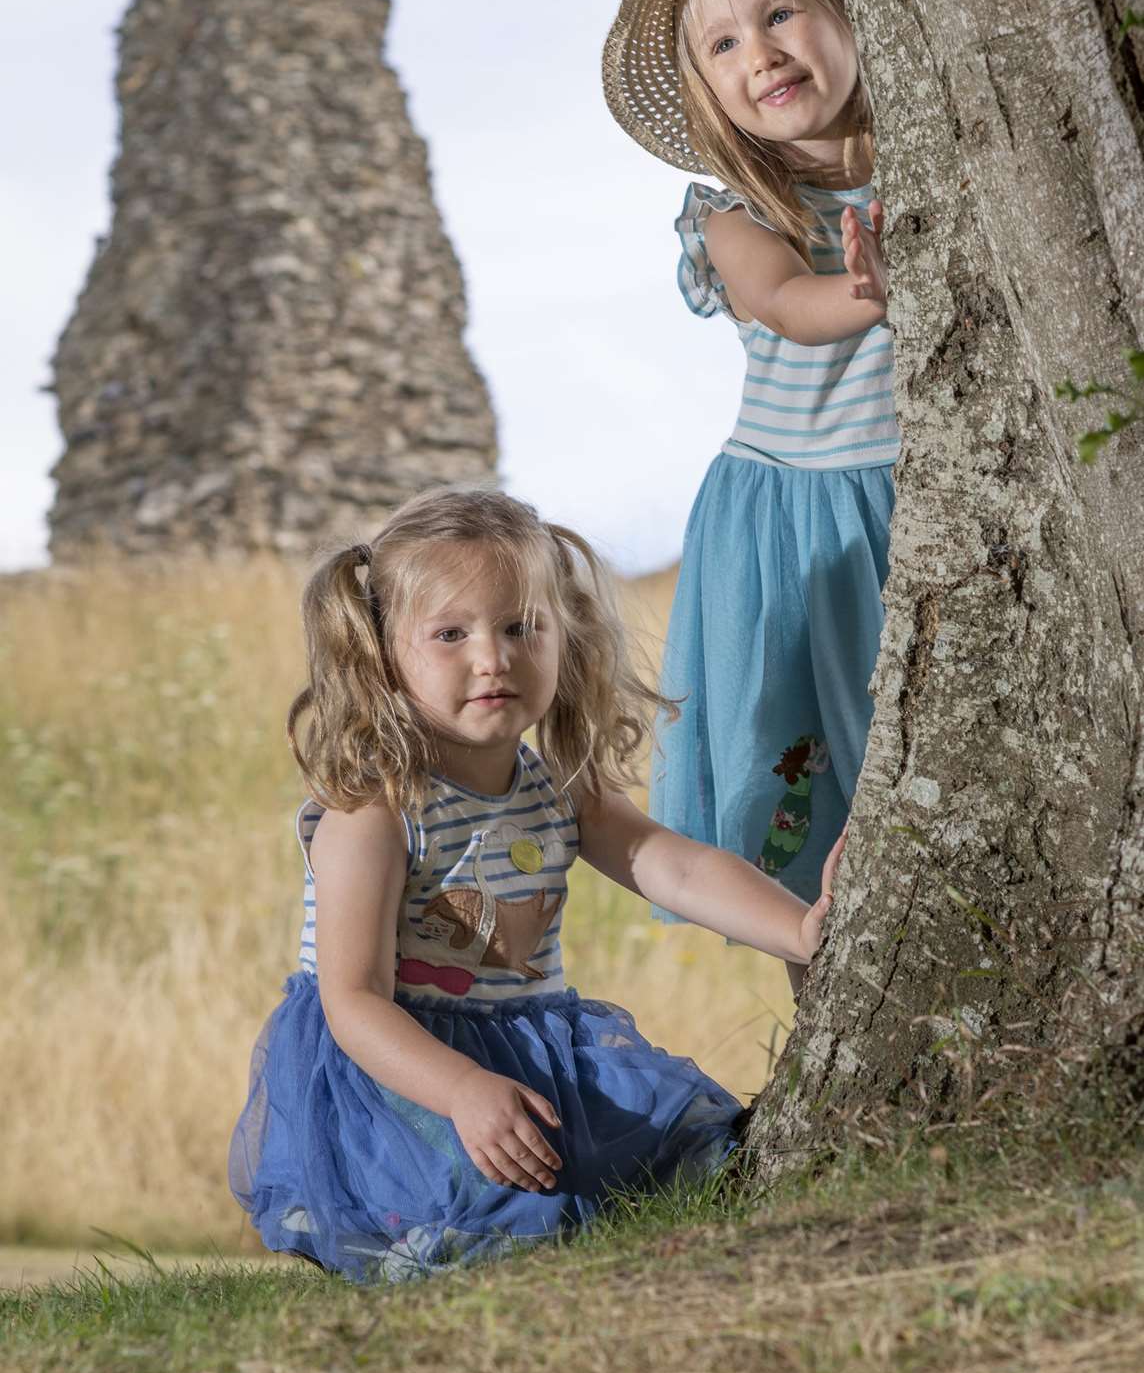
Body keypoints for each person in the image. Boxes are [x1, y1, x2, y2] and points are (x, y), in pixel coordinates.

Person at [229, 486, 842, 1282]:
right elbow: (353, 1002)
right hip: (406, 1068)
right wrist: (463, 1089)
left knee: (690, 1152)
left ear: (565, 637)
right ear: (382, 654)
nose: (493, 657)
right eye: (450, 633)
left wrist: (800, 929)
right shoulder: (375, 812)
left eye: (521, 626)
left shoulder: (556, 782)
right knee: (508, 1214)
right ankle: (424, 1235)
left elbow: (670, 862)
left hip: (534, 1042)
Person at [602, 0, 897, 990]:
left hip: (899, 499)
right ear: (707, 91)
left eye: (780, 13)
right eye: (723, 44)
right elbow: (782, 303)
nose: (761, 50)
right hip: (792, 522)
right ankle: (815, 973)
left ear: (846, 15)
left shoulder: (942, 155)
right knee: (795, 759)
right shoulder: (738, 214)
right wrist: (861, 292)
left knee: (897, 733)